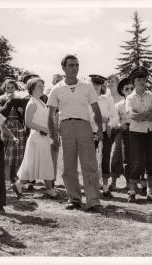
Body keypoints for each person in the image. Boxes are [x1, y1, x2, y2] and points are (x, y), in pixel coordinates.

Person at [47, 54, 104, 213]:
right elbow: (50, 114)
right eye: (71, 65)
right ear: (63, 68)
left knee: (89, 164)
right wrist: (53, 135)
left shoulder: (87, 86)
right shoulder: (56, 88)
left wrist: (99, 129)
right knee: (68, 165)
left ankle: (93, 201)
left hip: (84, 126)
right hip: (65, 127)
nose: (75, 68)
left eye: (77, 65)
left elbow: (96, 109)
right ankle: (74, 199)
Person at [12, 78, 58, 199]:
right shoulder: (31, 103)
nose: (42, 88)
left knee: (39, 162)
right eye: (39, 86)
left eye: (43, 86)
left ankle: (21, 185)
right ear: (32, 88)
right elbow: (28, 123)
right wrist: (43, 129)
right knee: (33, 163)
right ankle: (49, 189)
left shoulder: (41, 101)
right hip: (37, 137)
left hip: (43, 137)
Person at [126, 66, 152, 202]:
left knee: (151, 161)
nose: (142, 81)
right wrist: (148, 114)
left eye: (144, 78)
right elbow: (132, 116)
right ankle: (132, 191)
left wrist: (143, 115)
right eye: (139, 79)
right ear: (134, 82)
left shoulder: (151, 96)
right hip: (136, 133)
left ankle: (150, 192)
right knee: (137, 161)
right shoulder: (130, 98)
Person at [89, 75, 119, 198]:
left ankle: (105, 189)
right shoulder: (86, 100)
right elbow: (86, 116)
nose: (96, 87)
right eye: (93, 84)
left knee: (105, 158)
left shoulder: (107, 100)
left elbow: (115, 117)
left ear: (102, 86)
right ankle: (91, 187)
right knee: (91, 160)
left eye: (98, 85)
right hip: (91, 132)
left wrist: (110, 124)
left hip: (106, 133)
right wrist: (101, 119)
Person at [0, 79, 26, 184]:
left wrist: (22, 111)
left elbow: (24, 115)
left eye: (12, 87)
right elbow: (2, 113)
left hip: (18, 127)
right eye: (7, 88)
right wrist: (9, 101)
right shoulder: (1, 98)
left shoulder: (20, 99)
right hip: (6, 126)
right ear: (4, 89)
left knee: (18, 153)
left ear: (15, 88)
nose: (10, 90)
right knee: (7, 153)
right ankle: (7, 178)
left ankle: (16, 177)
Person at [115, 77, 134, 187]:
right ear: (122, 91)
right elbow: (114, 121)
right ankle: (129, 183)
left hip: (140, 131)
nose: (130, 91)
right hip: (126, 132)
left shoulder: (139, 102)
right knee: (128, 158)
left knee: (141, 156)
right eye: (127, 89)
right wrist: (120, 126)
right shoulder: (119, 105)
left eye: (132, 88)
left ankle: (142, 182)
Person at [106, 74, 124, 190]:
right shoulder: (105, 98)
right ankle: (105, 183)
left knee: (115, 155)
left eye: (112, 81)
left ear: (117, 83)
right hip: (107, 130)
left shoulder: (122, 99)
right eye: (108, 81)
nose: (110, 83)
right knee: (105, 156)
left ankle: (113, 182)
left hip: (119, 131)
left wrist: (118, 125)